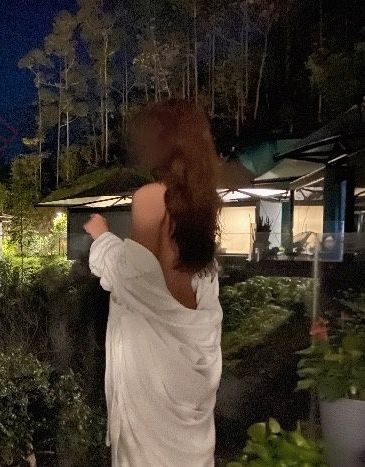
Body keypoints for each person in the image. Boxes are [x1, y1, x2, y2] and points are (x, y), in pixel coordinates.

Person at [83, 99, 223, 467]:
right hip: (191, 360)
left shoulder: (150, 198)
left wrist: (101, 237)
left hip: (156, 370)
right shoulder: (202, 202)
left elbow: (135, 280)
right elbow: (189, 276)